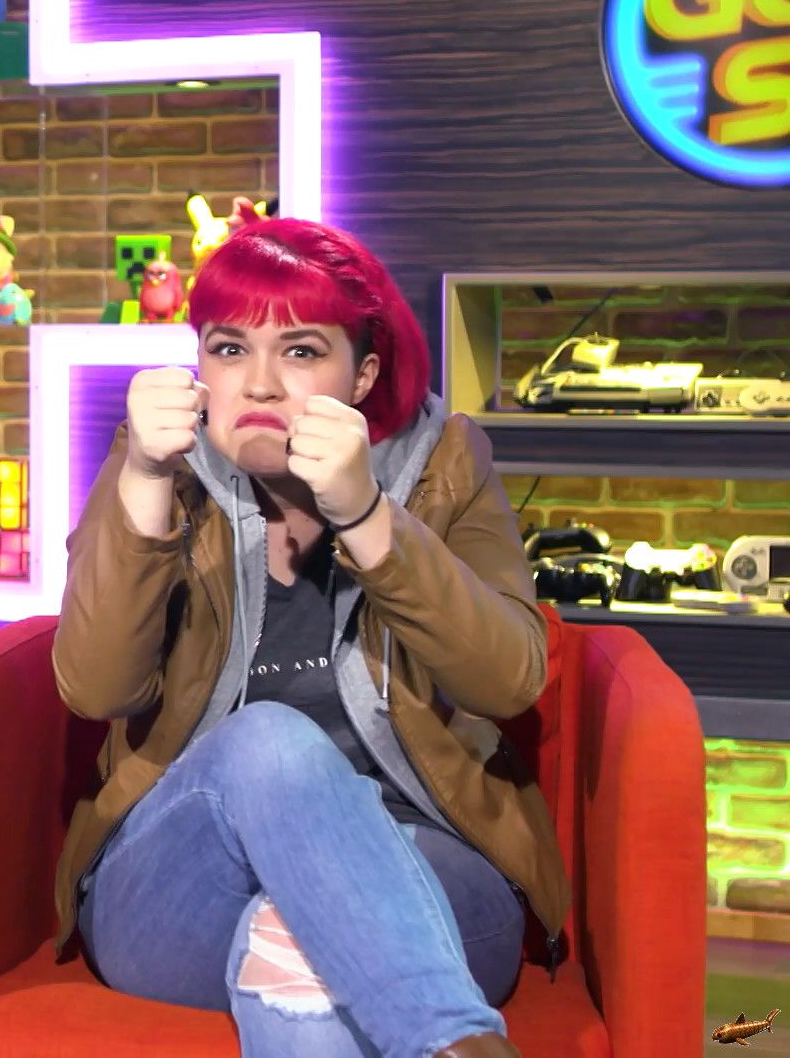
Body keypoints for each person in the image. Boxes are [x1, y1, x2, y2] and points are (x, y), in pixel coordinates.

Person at [52, 217, 570, 1058]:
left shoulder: (444, 462)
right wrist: (145, 480)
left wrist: (368, 518)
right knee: (269, 740)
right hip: (184, 882)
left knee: (295, 940)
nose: (258, 383)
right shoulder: (161, 463)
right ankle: (457, 1043)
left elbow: (506, 682)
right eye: (228, 349)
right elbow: (97, 688)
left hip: (421, 863)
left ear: (362, 374)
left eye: (300, 350)